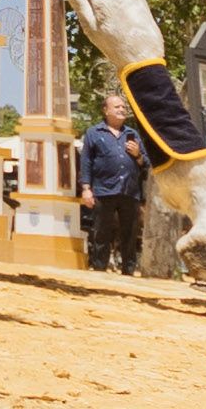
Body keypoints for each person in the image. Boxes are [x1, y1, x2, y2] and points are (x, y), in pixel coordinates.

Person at [79, 92, 148, 275]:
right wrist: (86, 189)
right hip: (104, 190)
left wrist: (138, 155)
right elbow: (86, 162)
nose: (122, 109)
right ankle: (100, 271)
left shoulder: (132, 134)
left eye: (123, 107)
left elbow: (146, 163)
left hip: (130, 192)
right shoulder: (94, 133)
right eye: (117, 106)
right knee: (101, 233)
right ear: (106, 110)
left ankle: (128, 272)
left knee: (130, 235)